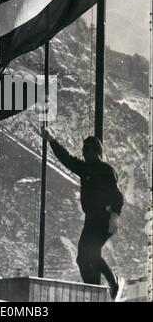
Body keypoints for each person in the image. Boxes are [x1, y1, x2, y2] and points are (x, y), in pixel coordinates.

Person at [42, 128, 124, 300]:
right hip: (92, 220)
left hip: (104, 219)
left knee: (91, 253)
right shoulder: (85, 168)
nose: (84, 152)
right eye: (83, 149)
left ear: (96, 151)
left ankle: (111, 283)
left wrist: (115, 216)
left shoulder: (106, 170)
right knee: (82, 258)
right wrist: (51, 140)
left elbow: (117, 195)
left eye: (87, 149)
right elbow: (66, 159)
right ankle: (95, 290)